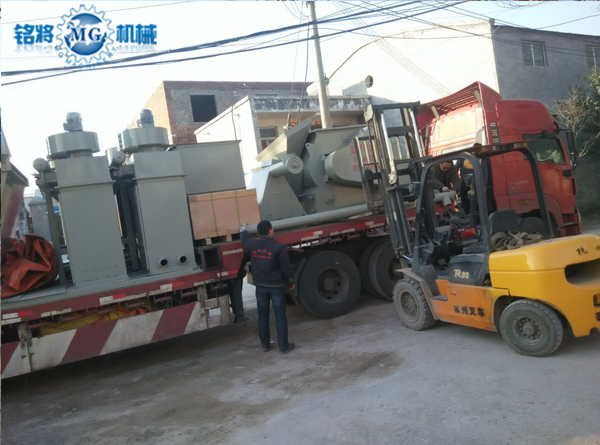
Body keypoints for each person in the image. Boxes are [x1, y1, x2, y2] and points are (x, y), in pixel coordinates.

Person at [240, 220, 296, 354]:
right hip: (276, 286)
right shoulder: (278, 247)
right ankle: (283, 346)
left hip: (260, 286)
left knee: (262, 315)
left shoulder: (252, 244)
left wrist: (243, 230)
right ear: (270, 230)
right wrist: (291, 282)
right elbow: (286, 268)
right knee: (280, 315)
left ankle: (265, 345)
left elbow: (244, 241)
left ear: (259, 232)